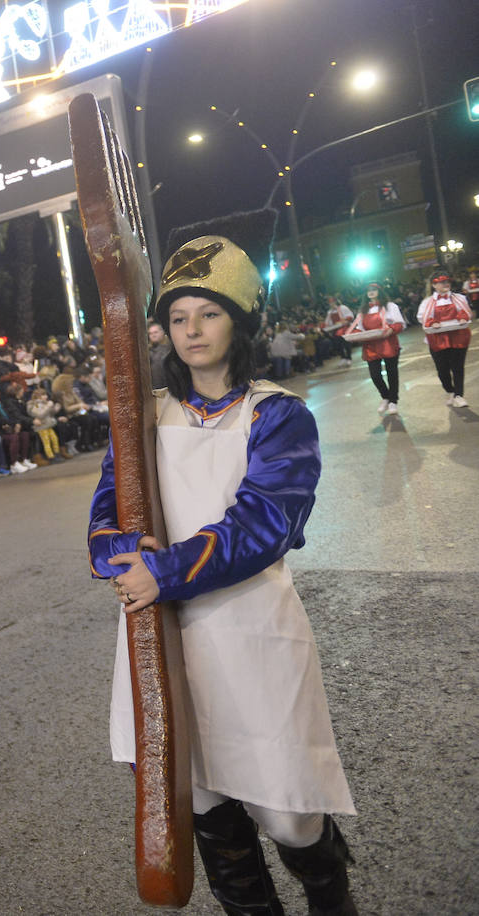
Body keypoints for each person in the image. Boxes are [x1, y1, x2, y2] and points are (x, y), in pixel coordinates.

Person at [89, 215, 358, 915]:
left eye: (210, 312)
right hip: (162, 634)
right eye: (179, 316)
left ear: (241, 321)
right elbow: (103, 522)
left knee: (287, 814)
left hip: (252, 631)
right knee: (206, 808)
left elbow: (266, 523)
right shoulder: (140, 418)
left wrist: (166, 569)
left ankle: (330, 888)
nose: (193, 329)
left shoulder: (280, 416)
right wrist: (120, 555)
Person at [344, 282, 406, 416]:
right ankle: (386, 396)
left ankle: (393, 401)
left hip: (388, 343)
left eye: (374, 290)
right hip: (371, 345)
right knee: (375, 375)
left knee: (392, 374)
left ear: (380, 291)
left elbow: (399, 324)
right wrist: (351, 333)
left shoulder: (390, 306)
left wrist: (391, 329)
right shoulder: (363, 310)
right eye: (368, 290)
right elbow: (359, 328)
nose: (371, 292)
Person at [416, 270, 471, 408]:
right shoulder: (427, 302)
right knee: (442, 370)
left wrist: (463, 318)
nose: (446, 284)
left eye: (447, 281)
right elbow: (422, 317)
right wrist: (431, 322)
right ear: (434, 285)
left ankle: (459, 395)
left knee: (458, 367)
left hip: (458, 336)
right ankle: (450, 390)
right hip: (437, 339)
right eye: (442, 282)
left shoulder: (459, 298)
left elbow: (465, 311)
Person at [147, 322, 172, 389]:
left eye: (155, 332)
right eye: (150, 333)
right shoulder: (147, 352)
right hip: (155, 390)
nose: (153, 335)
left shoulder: (172, 349)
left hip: (171, 389)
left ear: (162, 332)